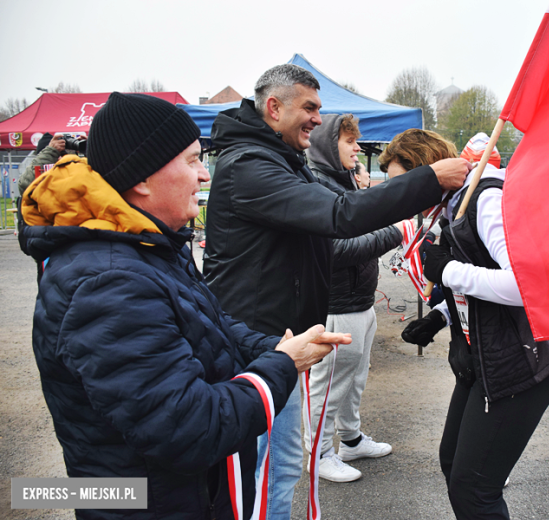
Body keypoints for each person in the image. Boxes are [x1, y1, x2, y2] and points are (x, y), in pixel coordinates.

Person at [20, 92, 348, 520]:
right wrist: (283, 364)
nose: (204, 176)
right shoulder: (110, 280)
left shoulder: (143, 245)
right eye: (193, 161)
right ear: (141, 178)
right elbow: (191, 428)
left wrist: (273, 346)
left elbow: (206, 323)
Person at [203, 64, 471, 515]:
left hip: (285, 342)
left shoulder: (279, 159)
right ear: (274, 107)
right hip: (255, 344)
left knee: (284, 466)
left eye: (319, 109)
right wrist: (427, 180)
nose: (316, 119)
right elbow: (340, 217)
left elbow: (331, 228)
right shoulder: (249, 166)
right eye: (309, 108)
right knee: (261, 470)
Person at [395, 132, 549, 520]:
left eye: (404, 184)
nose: (400, 196)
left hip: (523, 363)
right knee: (453, 465)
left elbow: (524, 285)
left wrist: (449, 270)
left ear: (430, 169)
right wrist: (440, 316)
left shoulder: (486, 199)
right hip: (482, 360)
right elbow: (477, 287)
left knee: (474, 489)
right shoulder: (451, 207)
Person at [304, 113, 401, 482]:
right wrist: (397, 233)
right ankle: (318, 455)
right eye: (349, 141)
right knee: (328, 384)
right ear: (330, 145)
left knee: (355, 378)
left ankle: (351, 439)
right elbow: (337, 250)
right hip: (338, 307)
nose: (358, 147)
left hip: (361, 301)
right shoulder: (318, 187)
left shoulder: (345, 182)